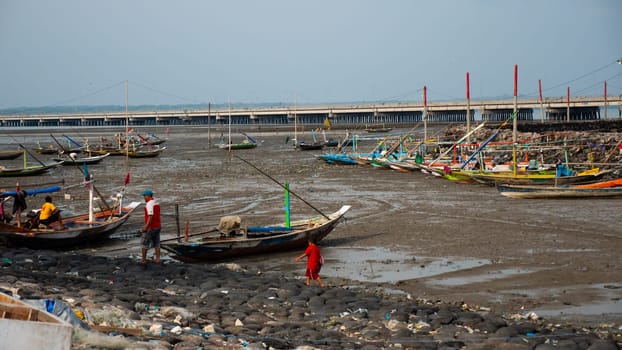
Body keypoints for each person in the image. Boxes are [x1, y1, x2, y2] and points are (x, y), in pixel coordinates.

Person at [141, 189, 161, 265]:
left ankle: (143, 260)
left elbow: (150, 216)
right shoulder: (156, 202)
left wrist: (146, 226)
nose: (144, 198)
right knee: (157, 243)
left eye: (144, 196)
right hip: (158, 226)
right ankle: (158, 259)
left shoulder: (149, 204)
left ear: (147, 196)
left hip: (151, 227)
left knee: (144, 243)